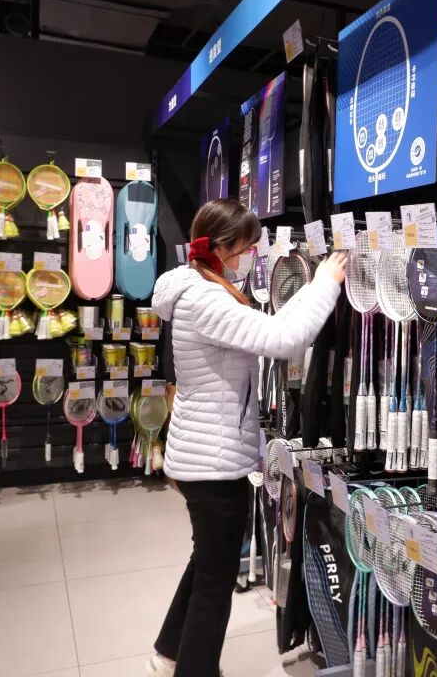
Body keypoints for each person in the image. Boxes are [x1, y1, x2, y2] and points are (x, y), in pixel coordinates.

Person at [147, 199, 346, 677]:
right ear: (220, 248)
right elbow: (283, 339)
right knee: (215, 583)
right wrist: (325, 282)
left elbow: (273, 328)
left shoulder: (200, 287)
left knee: (207, 562)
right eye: (247, 248)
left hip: (206, 454)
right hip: (212, 466)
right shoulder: (206, 300)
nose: (251, 257)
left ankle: (168, 652)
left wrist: (314, 287)